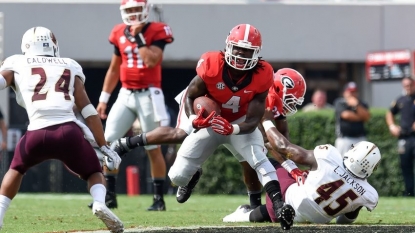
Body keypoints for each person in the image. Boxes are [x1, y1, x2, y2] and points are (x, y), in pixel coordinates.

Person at [113, 68, 307, 210]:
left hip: (233, 118)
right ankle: (128, 143)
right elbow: (276, 144)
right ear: (278, 89)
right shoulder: (261, 95)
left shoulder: (275, 110)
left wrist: (292, 167)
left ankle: (254, 205)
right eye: (289, 99)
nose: (290, 106)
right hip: (206, 104)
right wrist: (293, 169)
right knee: (180, 133)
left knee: (249, 160)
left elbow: (281, 144)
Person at [168, 23, 294, 230]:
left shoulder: (263, 74)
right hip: (210, 122)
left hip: (239, 123)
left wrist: (233, 129)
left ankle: (279, 206)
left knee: (259, 159)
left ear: (257, 53)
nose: (241, 55)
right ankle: (192, 176)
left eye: (247, 51)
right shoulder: (211, 64)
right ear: (228, 46)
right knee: (176, 176)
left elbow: (254, 120)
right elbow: (190, 96)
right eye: (238, 48)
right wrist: (194, 120)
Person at [0, 27, 123, 232]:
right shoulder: (69, 64)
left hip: (36, 133)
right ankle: (100, 203)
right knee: (94, 172)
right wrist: (104, 145)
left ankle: (0, 213)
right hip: (69, 132)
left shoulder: (16, 63)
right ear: (53, 45)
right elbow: (89, 110)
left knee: (16, 169)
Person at [223, 107, 380, 224]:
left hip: (284, 203)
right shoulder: (369, 194)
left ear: (352, 153)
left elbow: (284, 147)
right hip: (314, 219)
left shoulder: (329, 156)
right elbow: (344, 221)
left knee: (265, 162)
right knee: (303, 177)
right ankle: (248, 213)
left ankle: (247, 211)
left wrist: (265, 120)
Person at [94, 0, 174, 211]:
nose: (133, 14)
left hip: (149, 94)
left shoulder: (157, 30)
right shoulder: (118, 32)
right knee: (109, 143)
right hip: (125, 94)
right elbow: (113, 68)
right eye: (129, 10)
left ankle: (158, 200)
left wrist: (137, 37)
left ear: (146, 9)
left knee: (152, 147)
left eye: (137, 9)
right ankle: (110, 195)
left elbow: (151, 61)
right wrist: (103, 99)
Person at [385, 77, 415, 197]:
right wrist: (392, 126)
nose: (407, 88)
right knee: (405, 166)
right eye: (405, 85)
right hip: (404, 137)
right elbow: (390, 113)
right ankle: (410, 192)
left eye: (410, 85)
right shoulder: (400, 100)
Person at [334, 82, 371, 156]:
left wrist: (356, 105)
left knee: (361, 165)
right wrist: (360, 116)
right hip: (345, 139)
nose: (353, 94)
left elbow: (367, 117)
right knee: (342, 164)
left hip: (360, 139)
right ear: (344, 92)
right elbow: (346, 115)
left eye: (354, 92)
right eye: (350, 92)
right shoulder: (340, 102)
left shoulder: (361, 103)